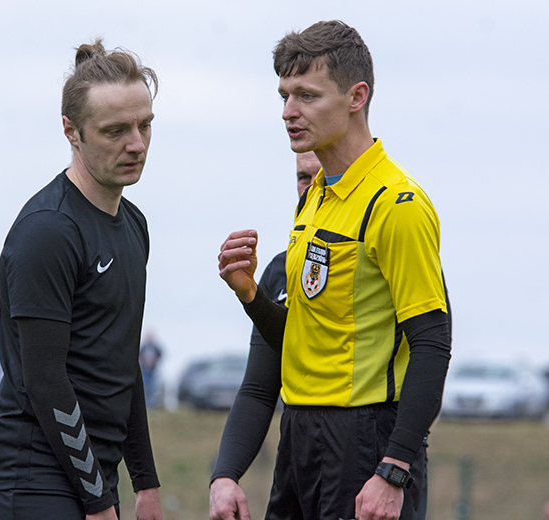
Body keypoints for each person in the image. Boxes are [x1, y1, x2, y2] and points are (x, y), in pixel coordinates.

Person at [217, 20, 451, 520]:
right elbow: (303, 341)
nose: (288, 112)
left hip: (366, 442)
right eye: (284, 95)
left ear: (356, 96)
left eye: (306, 95)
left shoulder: (396, 204)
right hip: (299, 437)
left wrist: (394, 468)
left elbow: (433, 343)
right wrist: (251, 296)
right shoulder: (316, 197)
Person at [0, 39, 162, 520]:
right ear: (71, 131)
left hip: (93, 475)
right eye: (115, 130)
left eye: (145, 126)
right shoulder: (49, 231)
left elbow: (123, 363)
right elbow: (45, 381)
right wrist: (98, 501)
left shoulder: (135, 224)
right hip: (32, 473)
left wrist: (145, 482)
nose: (136, 143)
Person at [209, 151, 320, 520]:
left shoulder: (387, 244)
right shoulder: (281, 270)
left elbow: (430, 351)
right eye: (303, 177)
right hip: (298, 470)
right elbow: (259, 389)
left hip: (373, 470)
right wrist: (225, 475)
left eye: (324, 176)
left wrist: (394, 466)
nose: (311, 189)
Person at [139, 332, 163, 409]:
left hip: (152, 371)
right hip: (144, 370)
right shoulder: (143, 347)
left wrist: (155, 363)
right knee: (144, 387)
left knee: (152, 388)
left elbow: (160, 355)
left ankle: (151, 405)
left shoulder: (156, 348)